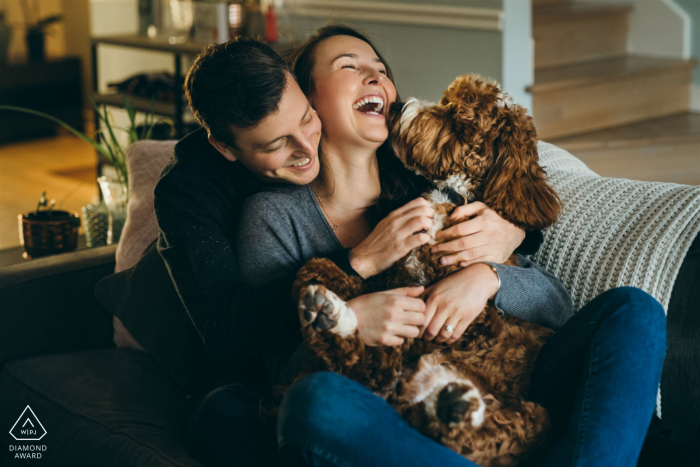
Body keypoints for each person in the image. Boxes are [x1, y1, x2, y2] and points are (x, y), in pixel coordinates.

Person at [232, 25, 667, 467]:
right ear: (308, 104)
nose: (375, 78)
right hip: (401, 414)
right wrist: (352, 314)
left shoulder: (433, 182)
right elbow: (277, 373)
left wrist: (488, 277)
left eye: (380, 70)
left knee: (633, 310)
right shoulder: (274, 216)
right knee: (315, 401)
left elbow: (556, 308)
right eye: (349, 67)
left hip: (510, 387)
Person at [153, 36, 533, 466]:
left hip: (473, 377)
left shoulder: (402, 152)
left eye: (305, 120)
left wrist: (504, 249)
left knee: (625, 311)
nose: (304, 147)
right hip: (291, 378)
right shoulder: (205, 194)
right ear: (226, 147)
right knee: (250, 411)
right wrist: (355, 288)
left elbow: (505, 180)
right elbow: (232, 333)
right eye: (276, 144)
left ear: (303, 97)